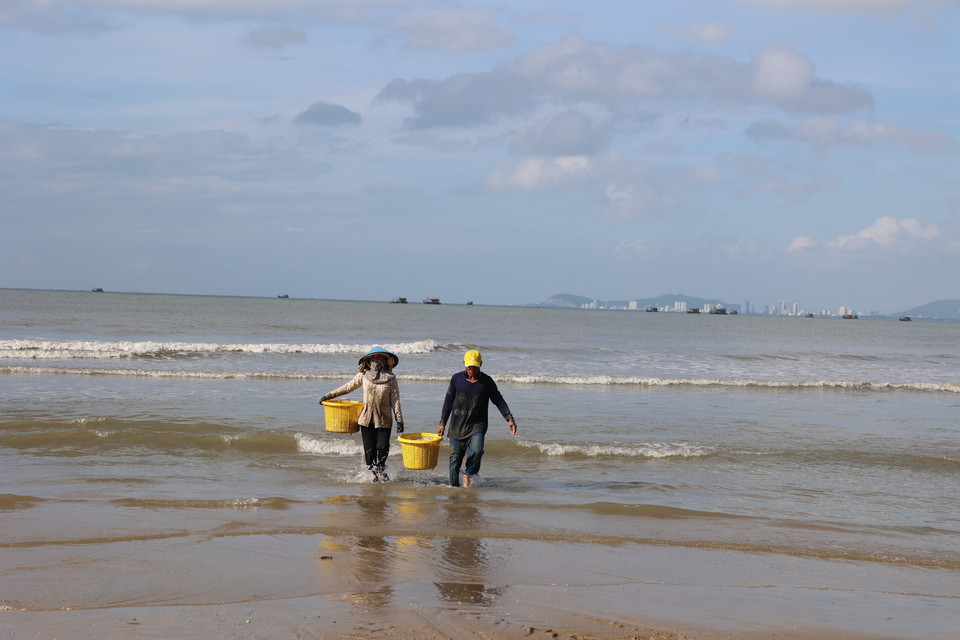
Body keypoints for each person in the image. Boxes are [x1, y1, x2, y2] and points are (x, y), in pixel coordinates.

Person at [320, 346, 404, 482]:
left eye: (379, 357)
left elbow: (395, 400)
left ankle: (381, 468)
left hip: (384, 420)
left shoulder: (391, 379)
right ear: (368, 360)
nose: (376, 360)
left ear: (385, 360)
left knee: (382, 447)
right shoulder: (363, 376)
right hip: (366, 419)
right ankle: (374, 479)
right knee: (369, 453)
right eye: (373, 358)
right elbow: (348, 387)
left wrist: (399, 420)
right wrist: (328, 395)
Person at [438, 349, 517, 487]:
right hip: (457, 427)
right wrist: (442, 422)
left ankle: (468, 473)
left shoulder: (487, 382)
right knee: (454, 461)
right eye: (469, 366)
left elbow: (498, 400)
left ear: (480, 364)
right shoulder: (456, 379)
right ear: (464, 364)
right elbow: (448, 402)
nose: (471, 369)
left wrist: (509, 418)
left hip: (477, 426)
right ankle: (454, 491)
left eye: (474, 366)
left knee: (477, 451)